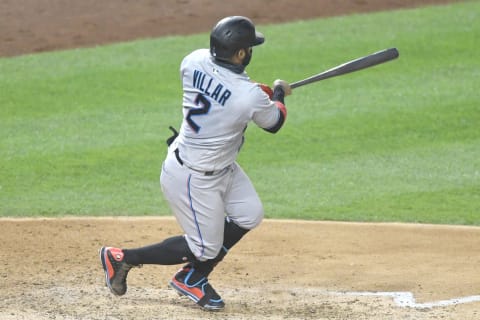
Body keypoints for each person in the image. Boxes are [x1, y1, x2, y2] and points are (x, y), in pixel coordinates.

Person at [100, 15, 291, 311]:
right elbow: (275, 121)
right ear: (240, 53)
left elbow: (228, 94)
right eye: (250, 48)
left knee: (249, 213)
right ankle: (122, 258)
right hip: (193, 178)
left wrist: (259, 94)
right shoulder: (248, 96)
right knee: (204, 248)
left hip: (218, 166)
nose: (252, 51)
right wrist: (278, 93)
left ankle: (192, 276)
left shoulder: (193, 61)